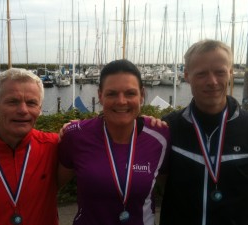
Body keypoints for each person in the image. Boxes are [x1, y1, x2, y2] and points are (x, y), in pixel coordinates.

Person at [159, 39, 248, 225]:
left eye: (220, 72)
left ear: (231, 73)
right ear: (186, 75)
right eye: (201, 74)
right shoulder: (169, 128)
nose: (212, 81)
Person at [58, 59, 170, 225]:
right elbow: (52, 187)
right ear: (100, 96)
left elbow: (171, 189)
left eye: (130, 93)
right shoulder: (76, 136)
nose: (121, 101)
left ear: (141, 95)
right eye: (112, 94)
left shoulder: (160, 136)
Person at [0, 68, 59, 225]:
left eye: (31, 103)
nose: (23, 110)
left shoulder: (56, 146)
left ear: (40, 108)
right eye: (13, 101)